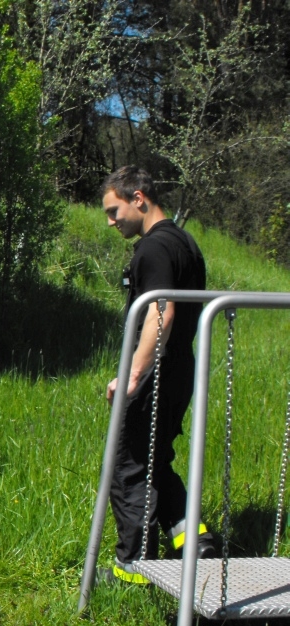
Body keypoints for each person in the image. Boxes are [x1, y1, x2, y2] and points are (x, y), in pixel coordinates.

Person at [101, 166, 217, 585]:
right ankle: (195, 542)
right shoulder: (187, 243)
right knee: (156, 459)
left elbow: (159, 312)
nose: (111, 222)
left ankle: (132, 569)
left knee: (129, 466)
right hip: (182, 371)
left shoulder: (152, 249)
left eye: (114, 211)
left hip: (156, 371)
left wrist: (132, 374)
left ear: (138, 197)